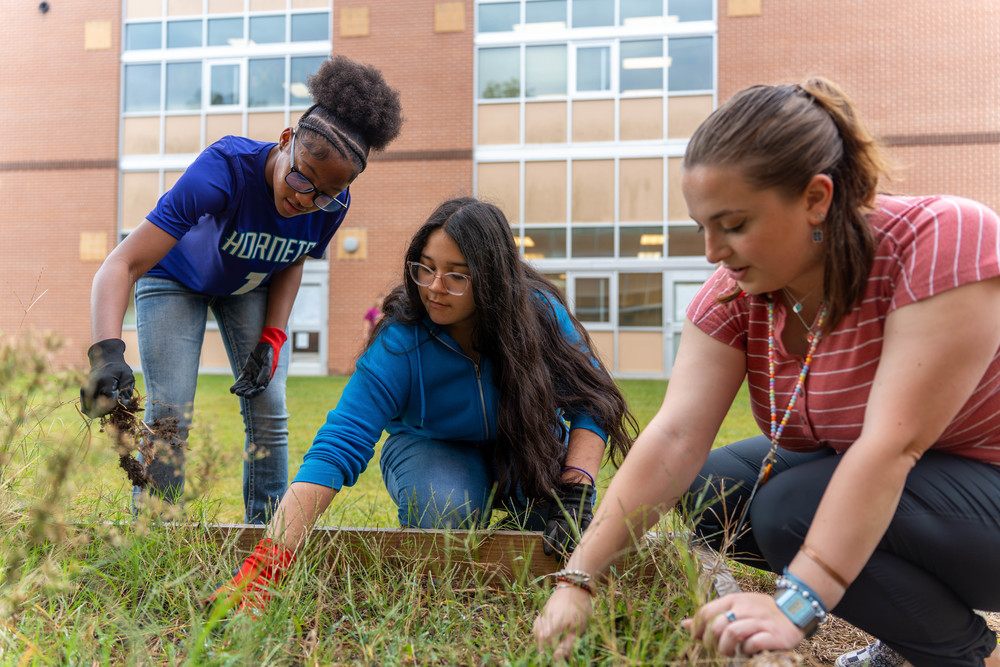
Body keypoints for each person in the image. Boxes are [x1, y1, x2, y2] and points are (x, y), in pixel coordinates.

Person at [533, 77, 1000, 667]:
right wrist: (579, 580)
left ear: (815, 198)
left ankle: (957, 656)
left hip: (986, 493)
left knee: (790, 511)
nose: (712, 251)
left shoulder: (942, 240)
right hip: (921, 489)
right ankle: (914, 629)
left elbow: (892, 443)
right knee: (712, 489)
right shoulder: (738, 295)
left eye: (732, 225)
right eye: (702, 226)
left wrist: (796, 604)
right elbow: (675, 437)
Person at [207, 196, 637, 613]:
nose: (434, 287)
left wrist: (576, 487)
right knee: (445, 510)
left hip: (522, 445)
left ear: (492, 278)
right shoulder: (400, 340)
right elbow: (338, 445)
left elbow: (590, 399)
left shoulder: (537, 313)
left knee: (549, 536)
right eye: (425, 268)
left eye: (456, 275)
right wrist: (266, 566)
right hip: (431, 448)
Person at [79, 55, 404, 524]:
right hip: (175, 280)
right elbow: (123, 261)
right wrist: (106, 352)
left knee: (270, 409)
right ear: (287, 140)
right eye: (300, 176)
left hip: (250, 284)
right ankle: (154, 530)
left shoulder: (333, 203)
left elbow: (296, 254)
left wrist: (273, 336)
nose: (304, 199)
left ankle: (267, 535)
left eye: (324, 193)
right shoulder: (223, 170)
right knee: (171, 413)